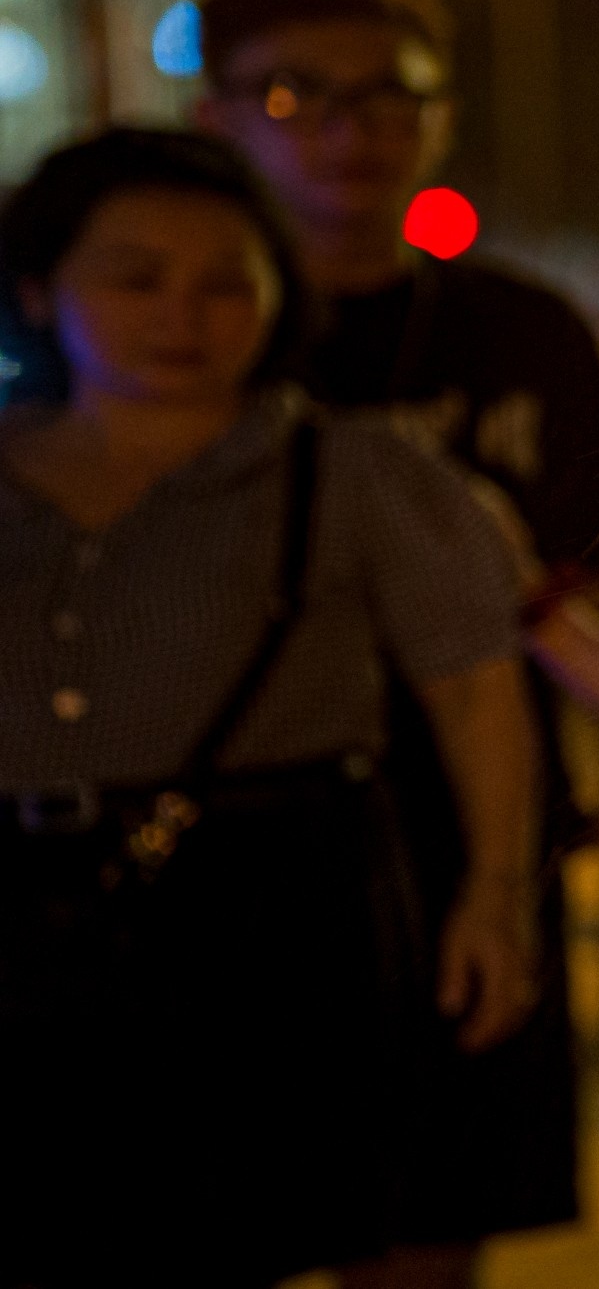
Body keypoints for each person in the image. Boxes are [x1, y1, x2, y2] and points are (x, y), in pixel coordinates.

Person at [0, 129, 538, 1286]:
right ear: (42, 290)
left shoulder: (353, 472)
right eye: (135, 277)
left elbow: (473, 680)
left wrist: (497, 889)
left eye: (224, 282)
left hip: (273, 909)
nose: (180, 314)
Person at [194, 0, 599, 1281]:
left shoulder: (520, 334)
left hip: (465, 827)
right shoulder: (175, 338)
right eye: (294, 95)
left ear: (438, 115)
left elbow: (584, 564)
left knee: (432, 1226)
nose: (349, 130)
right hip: (225, 837)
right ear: (216, 114)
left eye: (391, 95)